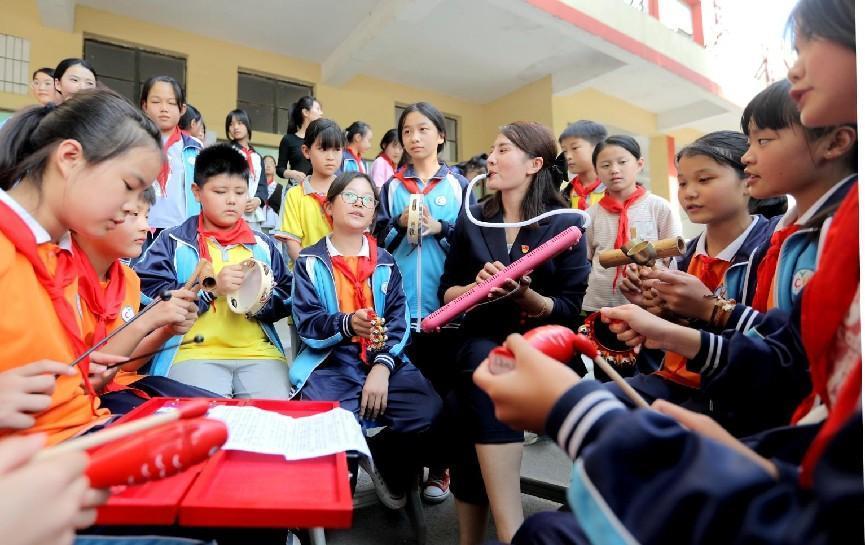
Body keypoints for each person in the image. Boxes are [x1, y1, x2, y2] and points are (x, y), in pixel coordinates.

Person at [439, 121, 590, 544]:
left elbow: (568, 309)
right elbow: (446, 291)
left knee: (462, 407)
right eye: (491, 149)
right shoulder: (474, 221)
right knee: (482, 369)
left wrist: (528, 298)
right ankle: (511, 534)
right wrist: (474, 289)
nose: (490, 158)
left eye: (502, 149)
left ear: (534, 164)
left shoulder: (564, 223)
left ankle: (498, 536)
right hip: (480, 339)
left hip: (541, 346)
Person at [0, 89, 161, 443]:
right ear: (70, 157)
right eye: (129, 187)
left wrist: (84, 375)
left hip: (84, 434)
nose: (131, 209)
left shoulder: (61, 255)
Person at [291, 171, 442, 506]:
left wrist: (383, 367)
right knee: (325, 419)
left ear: (375, 212)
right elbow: (307, 322)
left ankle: (383, 456)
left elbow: (400, 321)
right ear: (328, 206)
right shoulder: (311, 261)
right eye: (350, 197)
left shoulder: (386, 262)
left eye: (367, 199)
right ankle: (340, 476)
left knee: (429, 410)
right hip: (331, 362)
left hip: (382, 359)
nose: (359, 204)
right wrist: (346, 324)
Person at [135, 144, 293, 399]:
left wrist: (253, 298)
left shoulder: (263, 245)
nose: (232, 200)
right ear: (196, 192)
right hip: (192, 351)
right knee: (203, 427)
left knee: (272, 423)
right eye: (220, 191)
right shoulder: (173, 241)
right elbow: (148, 296)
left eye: (240, 192)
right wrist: (210, 290)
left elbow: (287, 294)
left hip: (258, 352)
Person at [375, 102, 474, 503]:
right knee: (412, 390)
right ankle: (405, 470)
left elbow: (472, 244)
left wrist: (441, 228)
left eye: (422, 130)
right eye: (407, 132)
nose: (414, 139)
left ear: (440, 136)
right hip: (400, 306)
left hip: (444, 306)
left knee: (444, 387)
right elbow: (378, 242)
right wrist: (399, 225)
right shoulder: (392, 187)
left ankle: (440, 470)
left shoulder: (459, 185)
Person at [581, 135, 680, 313]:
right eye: (605, 165)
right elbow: (585, 259)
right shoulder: (590, 215)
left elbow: (673, 256)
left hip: (651, 301)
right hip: (600, 304)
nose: (614, 170)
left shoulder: (659, 207)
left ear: (639, 164)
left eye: (622, 162)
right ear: (596, 171)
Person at [139, 75, 202, 240]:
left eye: (171, 102)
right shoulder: (133, 143)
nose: (164, 108)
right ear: (144, 106)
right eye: (156, 101)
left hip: (182, 231)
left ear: (182, 109)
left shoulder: (195, 149)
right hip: (140, 228)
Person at [275, 118, 345, 263]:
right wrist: (314, 272)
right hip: (306, 277)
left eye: (337, 149)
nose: (330, 157)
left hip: (343, 275)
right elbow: (293, 245)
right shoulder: (294, 195)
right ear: (306, 151)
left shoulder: (347, 192)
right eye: (323, 149)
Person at [226, 109, 269, 231]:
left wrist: (258, 200)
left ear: (247, 125)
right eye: (231, 124)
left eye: (240, 123)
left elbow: (262, 185)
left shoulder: (257, 156)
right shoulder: (226, 152)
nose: (235, 127)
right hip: (232, 211)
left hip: (253, 214)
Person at [557, 120, 608, 210]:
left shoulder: (615, 190)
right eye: (565, 151)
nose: (568, 156)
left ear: (597, 147)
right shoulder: (563, 196)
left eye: (575, 148)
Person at [277, 96, 323, 184]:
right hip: (295, 189)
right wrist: (292, 173)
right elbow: (280, 169)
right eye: (318, 109)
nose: (321, 113)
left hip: (317, 189)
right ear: (305, 112)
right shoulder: (288, 139)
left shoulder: (321, 139)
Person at [262, 155, 283, 232]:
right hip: (257, 225)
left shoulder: (280, 188)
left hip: (274, 227)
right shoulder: (256, 187)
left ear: (275, 168)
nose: (268, 165)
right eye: (265, 163)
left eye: (271, 163)